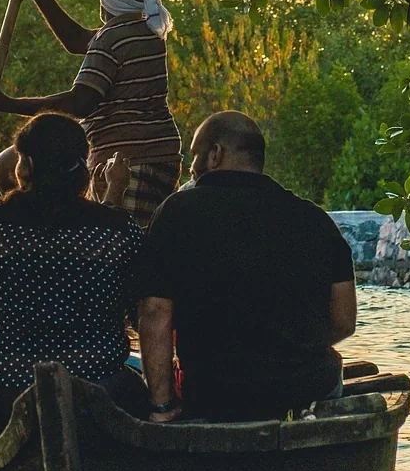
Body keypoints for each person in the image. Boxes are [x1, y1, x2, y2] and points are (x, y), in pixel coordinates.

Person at [136, 110, 356, 424]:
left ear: (215, 154)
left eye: (195, 156)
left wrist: (161, 407)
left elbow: (155, 311)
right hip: (305, 389)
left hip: (214, 394)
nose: (191, 169)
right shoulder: (316, 220)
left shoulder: (176, 213)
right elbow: (345, 322)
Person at [0, 110, 146, 438]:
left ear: (27, 165)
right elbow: (139, 304)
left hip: (5, 394)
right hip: (103, 388)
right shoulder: (119, 229)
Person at [0, 0, 182, 227]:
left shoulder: (112, 39)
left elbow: (80, 102)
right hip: (161, 155)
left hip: (128, 161)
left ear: (106, 1)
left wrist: (8, 104)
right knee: (141, 237)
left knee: (120, 241)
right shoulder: (147, 33)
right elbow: (76, 39)